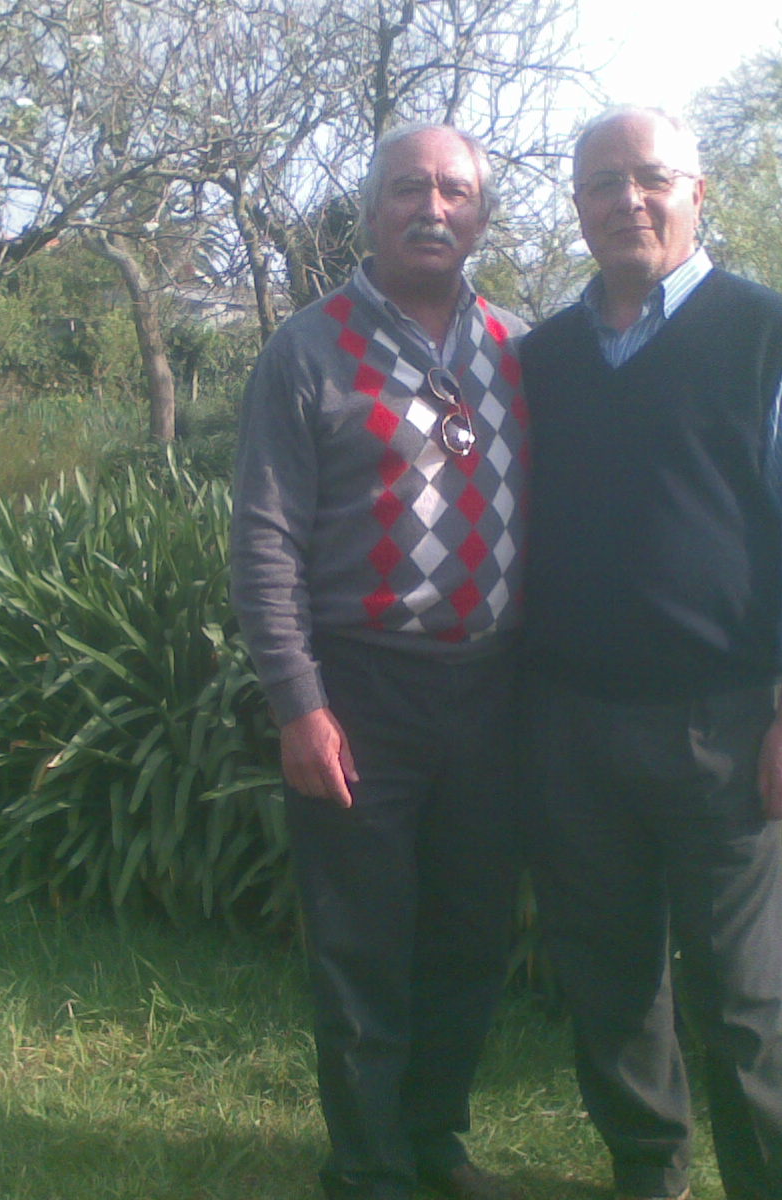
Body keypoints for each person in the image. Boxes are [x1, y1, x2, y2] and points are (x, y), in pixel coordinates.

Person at [518, 106, 782, 1200]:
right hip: (572, 724)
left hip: (717, 727)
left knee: (744, 996)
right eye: (601, 183)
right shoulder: (542, 357)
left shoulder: (769, 336)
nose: (627, 199)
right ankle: (648, 1171)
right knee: (608, 976)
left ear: (696, 193)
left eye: (651, 177)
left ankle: (772, 1186)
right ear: (578, 206)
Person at [229, 122, 529, 1200]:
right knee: (361, 945)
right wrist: (297, 703)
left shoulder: (519, 348)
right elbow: (264, 539)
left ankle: (433, 1140)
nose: (431, 208)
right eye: (408, 188)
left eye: (454, 191)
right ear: (369, 213)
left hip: (492, 692)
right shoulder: (307, 349)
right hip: (359, 690)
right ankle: (366, 1168)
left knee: (469, 934)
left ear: (481, 216)